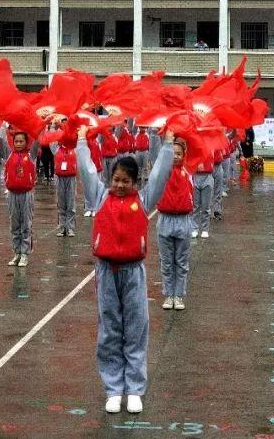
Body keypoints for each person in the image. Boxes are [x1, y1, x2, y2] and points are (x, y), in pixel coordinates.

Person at [76, 125, 175, 415]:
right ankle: (113, 388)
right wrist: (82, 140)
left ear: (135, 182)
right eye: (117, 179)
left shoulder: (143, 201)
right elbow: (86, 170)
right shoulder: (100, 197)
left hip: (133, 272)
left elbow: (159, 175)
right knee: (109, 330)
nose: (120, 185)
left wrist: (167, 144)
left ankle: (134, 389)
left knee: (136, 328)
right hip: (106, 271)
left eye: (126, 181)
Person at [156, 137, 194, 311]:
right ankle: (168, 294)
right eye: (172, 154)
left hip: (183, 220)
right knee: (166, 261)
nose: (175, 157)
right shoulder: (162, 171)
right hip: (165, 219)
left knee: (181, 260)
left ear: (184, 155)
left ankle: (179, 295)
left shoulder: (189, 171)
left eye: (179, 154)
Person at [3, 129, 38, 267]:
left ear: (26, 142)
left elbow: (37, 139)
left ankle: (25, 254)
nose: (18, 143)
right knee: (14, 224)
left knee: (26, 224)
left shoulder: (31, 155)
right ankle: (17, 253)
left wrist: (37, 124)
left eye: (21, 141)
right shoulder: (9, 154)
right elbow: (1, 138)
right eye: (16, 141)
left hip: (26, 194)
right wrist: (3, 123)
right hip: (12, 194)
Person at [52, 135, 78, 236]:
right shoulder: (56, 148)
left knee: (71, 203)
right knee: (61, 203)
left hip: (71, 178)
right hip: (59, 178)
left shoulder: (75, 148)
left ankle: (70, 228)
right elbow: (52, 137)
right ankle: (62, 227)